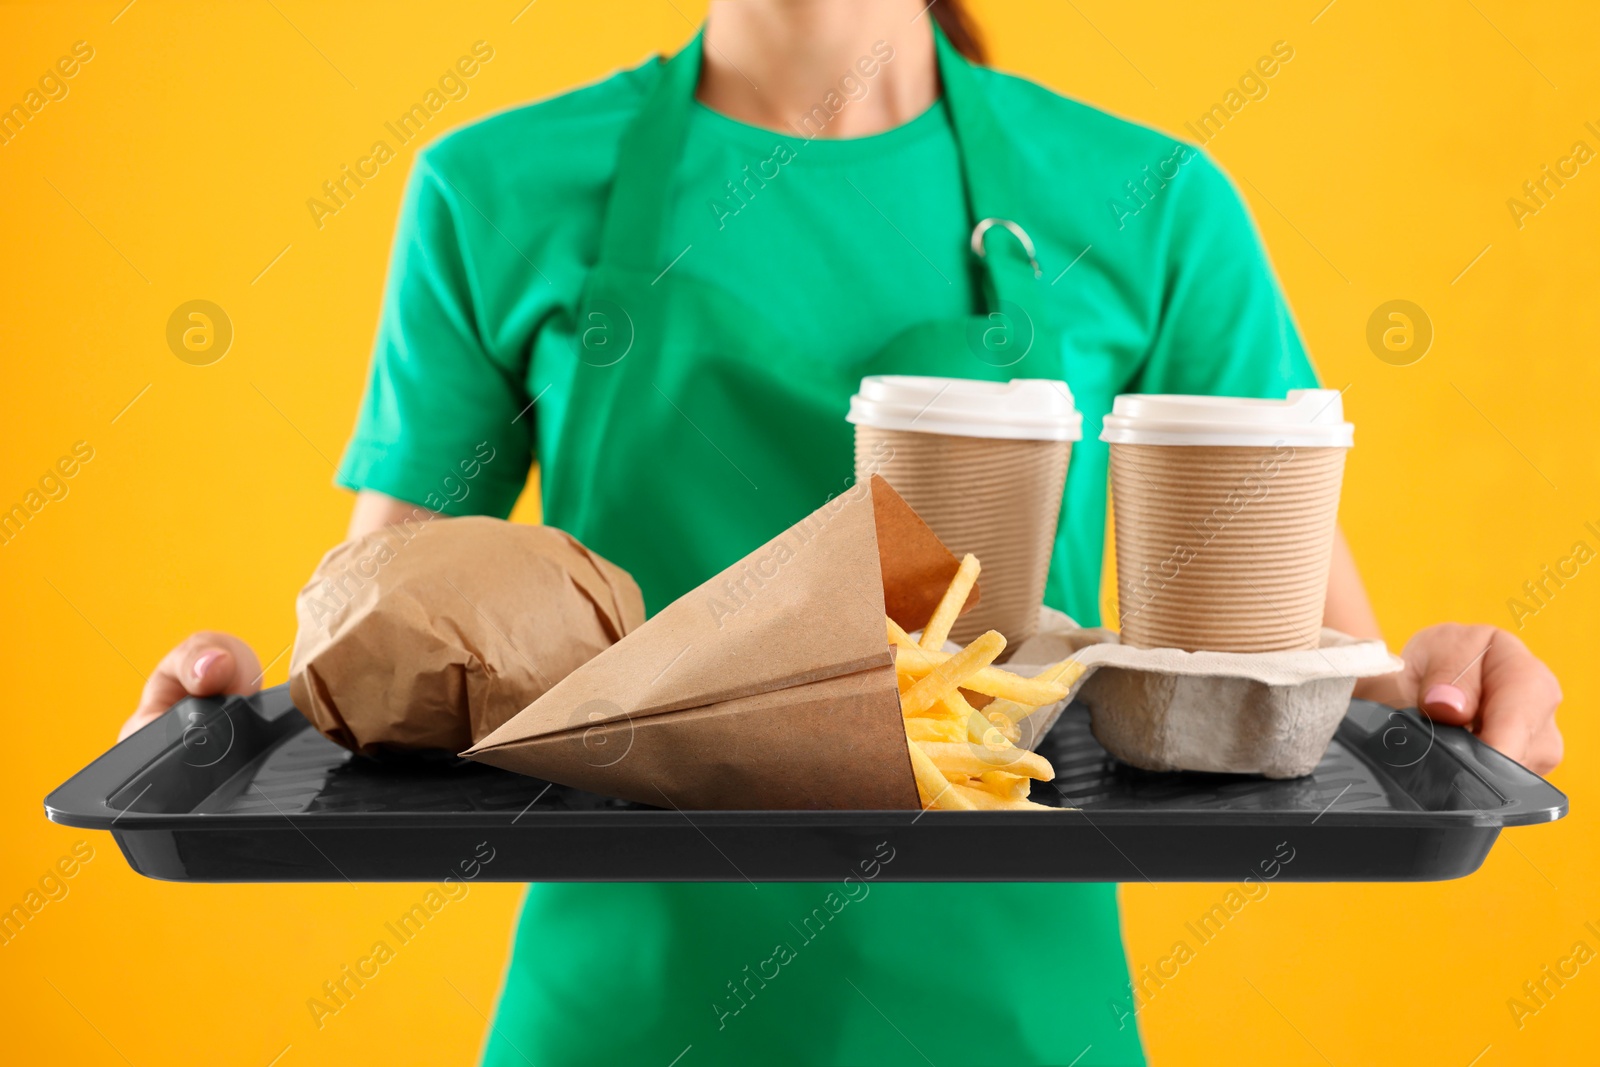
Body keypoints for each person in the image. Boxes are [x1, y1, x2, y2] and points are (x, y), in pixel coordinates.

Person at [120, 2, 1563, 1063]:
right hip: (622, 1021)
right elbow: (390, 637)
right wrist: (243, 707)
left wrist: (1443, 688)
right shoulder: (495, 190)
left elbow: (1316, 681)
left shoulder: (1154, 203)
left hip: (1019, 1025)